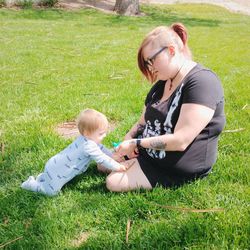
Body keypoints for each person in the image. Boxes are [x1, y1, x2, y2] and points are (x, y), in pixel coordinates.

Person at [106, 23, 226, 192]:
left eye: (151, 60)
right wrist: (128, 139)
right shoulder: (165, 81)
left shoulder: (202, 83)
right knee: (103, 163)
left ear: (171, 51)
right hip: (149, 152)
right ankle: (135, 162)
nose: (150, 68)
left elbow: (181, 140)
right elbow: (142, 121)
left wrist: (137, 143)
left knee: (113, 181)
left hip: (176, 165)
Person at [21, 109, 128, 196]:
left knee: (49, 179)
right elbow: (102, 159)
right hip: (58, 171)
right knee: (51, 192)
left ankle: (43, 178)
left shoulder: (86, 140)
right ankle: (31, 184)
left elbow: (102, 150)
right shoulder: (88, 146)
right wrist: (117, 167)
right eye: (101, 134)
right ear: (87, 133)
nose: (104, 136)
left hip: (54, 165)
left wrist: (113, 155)